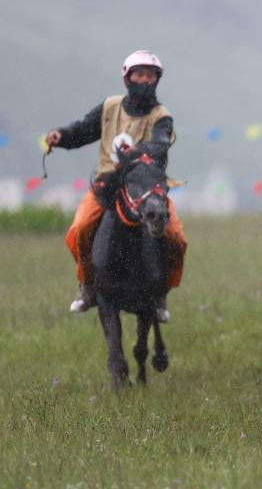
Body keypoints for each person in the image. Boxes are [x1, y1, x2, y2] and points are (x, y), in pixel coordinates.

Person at [45, 50, 186, 323]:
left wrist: (138, 152)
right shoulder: (110, 107)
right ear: (127, 78)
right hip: (108, 182)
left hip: (146, 185)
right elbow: (84, 129)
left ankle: (160, 293)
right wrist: (60, 136)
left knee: (176, 237)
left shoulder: (162, 116)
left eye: (150, 75)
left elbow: (159, 144)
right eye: (139, 74)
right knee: (80, 227)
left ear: (156, 80)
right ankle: (87, 286)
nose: (145, 80)